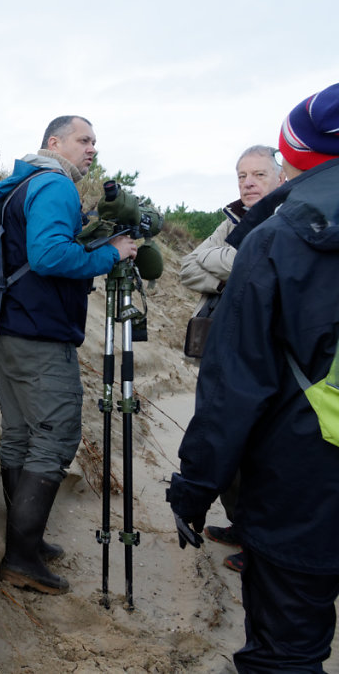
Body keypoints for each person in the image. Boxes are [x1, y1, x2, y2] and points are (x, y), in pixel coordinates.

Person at [167, 83, 339, 672]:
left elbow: (235, 389)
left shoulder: (275, 239)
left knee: (285, 652)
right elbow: (191, 267)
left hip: (304, 485)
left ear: (292, 157)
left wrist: (195, 488)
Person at [0, 116, 137, 594]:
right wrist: (112, 254)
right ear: (54, 142)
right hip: (39, 334)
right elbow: (49, 256)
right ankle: (21, 558)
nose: (92, 149)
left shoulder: (21, 183)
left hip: (9, 327)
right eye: (83, 140)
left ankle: (23, 542)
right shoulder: (55, 184)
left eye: (95, 142)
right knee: (54, 437)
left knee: (20, 435)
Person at [177, 145, 286, 573]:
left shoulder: (289, 218)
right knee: (227, 445)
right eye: (242, 175)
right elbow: (188, 267)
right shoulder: (232, 220)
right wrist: (239, 271)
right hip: (221, 350)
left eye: (258, 174)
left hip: (264, 356)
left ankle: (265, 546)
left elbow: (273, 270)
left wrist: (225, 263)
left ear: (281, 177)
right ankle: (242, 525)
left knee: (264, 452)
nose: (248, 183)